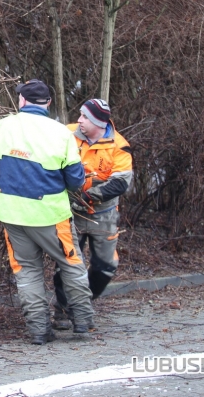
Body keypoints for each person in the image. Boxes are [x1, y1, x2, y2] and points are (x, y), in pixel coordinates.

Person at [0, 79, 96, 345]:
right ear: (47, 103)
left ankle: (39, 331)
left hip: (12, 214)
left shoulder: (2, 126)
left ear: (21, 101)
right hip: (51, 216)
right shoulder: (61, 134)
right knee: (72, 265)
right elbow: (75, 181)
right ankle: (82, 323)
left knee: (27, 272)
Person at [53, 98, 133, 330]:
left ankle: (81, 303)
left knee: (105, 265)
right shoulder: (67, 133)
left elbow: (120, 184)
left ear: (99, 122)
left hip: (103, 215)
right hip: (71, 214)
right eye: (80, 115)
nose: (79, 120)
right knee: (66, 262)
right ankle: (63, 310)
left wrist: (88, 197)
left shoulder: (119, 146)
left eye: (85, 117)